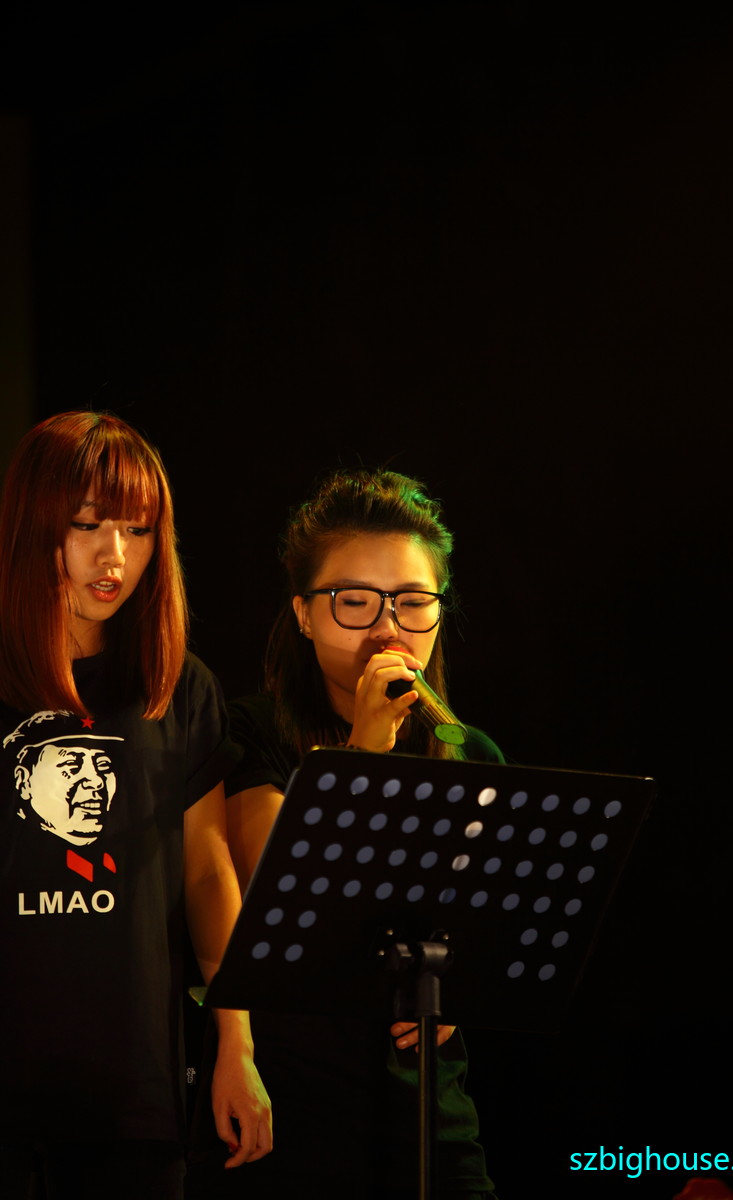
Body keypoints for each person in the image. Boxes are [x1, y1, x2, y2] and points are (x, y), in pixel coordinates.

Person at [186, 468, 501, 1200]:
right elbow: (279, 891)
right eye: (355, 602)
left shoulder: (470, 753)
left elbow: (497, 929)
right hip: (294, 1100)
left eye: (413, 602)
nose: (388, 628)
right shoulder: (251, 730)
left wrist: (467, 990)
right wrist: (365, 749)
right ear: (304, 614)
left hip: (428, 1109)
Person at [0, 411, 272, 1199]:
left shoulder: (178, 685)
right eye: (88, 525)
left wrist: (237, 1045)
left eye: (137, 530)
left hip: (132, 1096)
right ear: (32, 523)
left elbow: (207, 874)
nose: (114, 555)